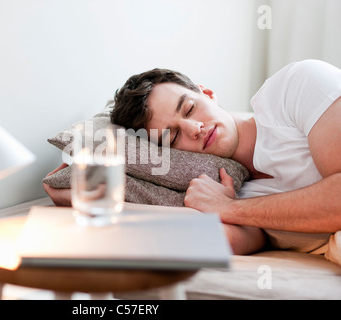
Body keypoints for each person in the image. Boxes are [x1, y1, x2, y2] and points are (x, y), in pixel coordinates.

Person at [44, 59, 341, 256]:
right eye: (172, 137)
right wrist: (81, 198)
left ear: (207, 93)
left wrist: (229, 208)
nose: (194, 129)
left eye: (188, 108)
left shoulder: (295, 86)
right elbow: (225, 241)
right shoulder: (225, 187)